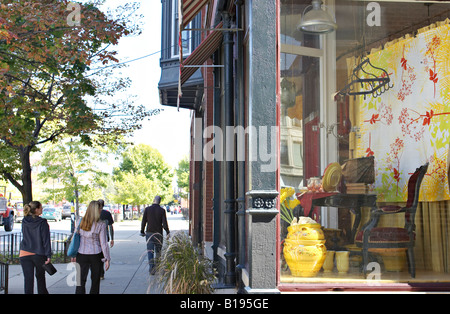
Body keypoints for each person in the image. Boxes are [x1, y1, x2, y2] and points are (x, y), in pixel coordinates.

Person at [71, 200, 111, 294]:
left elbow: (75, 238)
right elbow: (103, 243)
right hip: (96, 254)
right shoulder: (101, 224)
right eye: (100, 208)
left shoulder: (80, 222)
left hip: (81, 254)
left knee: (80, 281)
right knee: (95, 281)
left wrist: (73, 254)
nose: (101, 209)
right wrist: (107, 258)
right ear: (96, 210)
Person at [19, 201, 52, 294]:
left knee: (28, 280)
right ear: (36, 210)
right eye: (41, 207)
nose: (42, 209)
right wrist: (48, 255)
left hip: (24, 253)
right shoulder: (42, 222)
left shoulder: (24, 221)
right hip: (39, 253)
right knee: (40, 278)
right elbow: (46, 240)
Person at [140, 196, 170, 275]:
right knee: (158, 251)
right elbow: (164, 223)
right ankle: (158, 267)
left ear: (154, 200)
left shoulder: (147, 209)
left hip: (149, 233)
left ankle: (151, 268)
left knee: (150, 251)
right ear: (160, 202)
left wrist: (142, 231)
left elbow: (144, 221)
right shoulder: (162, 210)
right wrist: (167, 231)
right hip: (158, 234)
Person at [98, 199, 114, 279]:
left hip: (96, 237)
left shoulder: (94, 213)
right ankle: (101, 273)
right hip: (105, 236)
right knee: (102, 254)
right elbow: (110, 226)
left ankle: (99, 272)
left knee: (97, 255)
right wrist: (112, 238)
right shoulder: (107, 213)